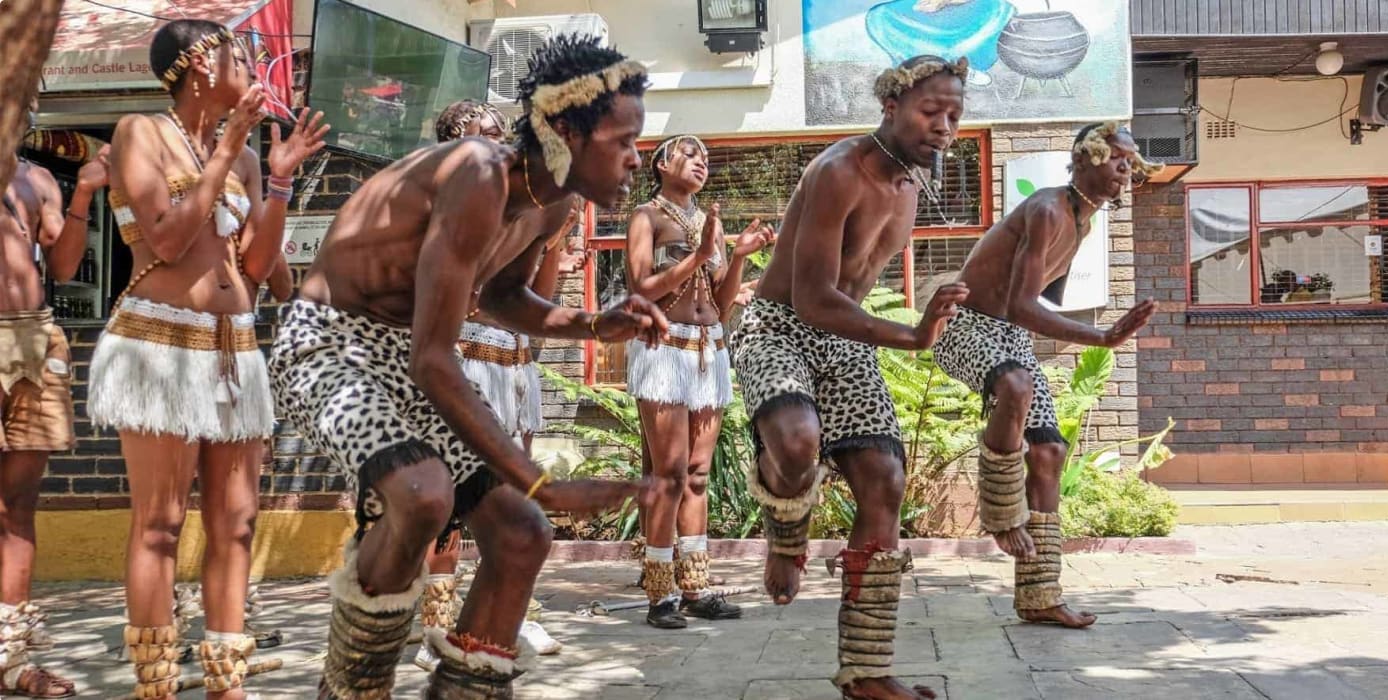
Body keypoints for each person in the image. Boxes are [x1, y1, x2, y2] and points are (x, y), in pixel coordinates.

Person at [267, 35, 665, 698]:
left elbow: (505, 295)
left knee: (521, 535)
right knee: (423, 497)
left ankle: (464, 690)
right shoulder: (477, 172)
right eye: (624, 142)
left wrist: (596, 321)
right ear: (566, 130)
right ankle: (352, 689)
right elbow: (433, 358)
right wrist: (539, 479)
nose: (635, 160)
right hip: (329, 343)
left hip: (406, 353)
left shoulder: (555, 201)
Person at [88, 19, 327, 699]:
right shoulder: (140, 131)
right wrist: (225, 150)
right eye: (242, 56)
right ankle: (158, 686)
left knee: (237, 522)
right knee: (161, 524)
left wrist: (277, 184)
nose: (256, 67)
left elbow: (263, 271)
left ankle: (228, 684)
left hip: (234, 350)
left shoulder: (248, 157)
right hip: (159, 344)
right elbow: (164, 240)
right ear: (199, 64)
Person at [731, 55, 970, 700]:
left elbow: (858, 284)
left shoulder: (913, 184)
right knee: (797, 438)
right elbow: (811, 297)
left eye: (954, 113)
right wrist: (914, 336)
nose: (945, 125)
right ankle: (788, 532)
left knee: (885, 481)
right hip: (779, 325)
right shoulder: (840, 170)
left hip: (845, 340)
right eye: (931, 111)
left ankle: (866, 671)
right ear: (890, 106)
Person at [932, 122, 1160, 630]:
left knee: (1050, 451)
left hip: (1008, 336)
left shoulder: (1085, 217)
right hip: (965, 326)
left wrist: (1090, 334)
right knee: (1014, 384)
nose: (1127, 169)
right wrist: (1100, 337)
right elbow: (1018, 303)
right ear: (1086, 158)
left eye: (1131, 161)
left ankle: (1040, 592)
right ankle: (999, 511)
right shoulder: (1048, 209)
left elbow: (1032, 308)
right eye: (1117, 158)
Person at [410, 99, 577, 671]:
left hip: (511, 359)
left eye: (502, 132)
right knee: (454, 493)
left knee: (513, 491)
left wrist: (551, 244)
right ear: (455, 139)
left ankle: (503, 608)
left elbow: (534, 296)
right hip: (460, 355)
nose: (500, 140)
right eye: (486, 131)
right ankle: (435, 617)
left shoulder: (519, 206)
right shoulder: (440, 195)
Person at [624, 134, 773, 629]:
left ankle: (696, 585)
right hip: (663, 349)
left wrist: (739, 254)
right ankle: (659, 590)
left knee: (695, 474)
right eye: (690, 155)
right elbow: (641, 287)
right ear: (662, 163)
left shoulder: (709, 221)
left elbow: (723, 302)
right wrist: (700, 253)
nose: (701, 163)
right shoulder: (646, 217)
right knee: (666, 474)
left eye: (706, 157)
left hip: (709, 349)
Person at [0, 102, 107, 698]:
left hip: (36, 337)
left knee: (17, 504)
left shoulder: (38, 178)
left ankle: (10, 659)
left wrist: (84, 193)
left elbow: (63, 267)